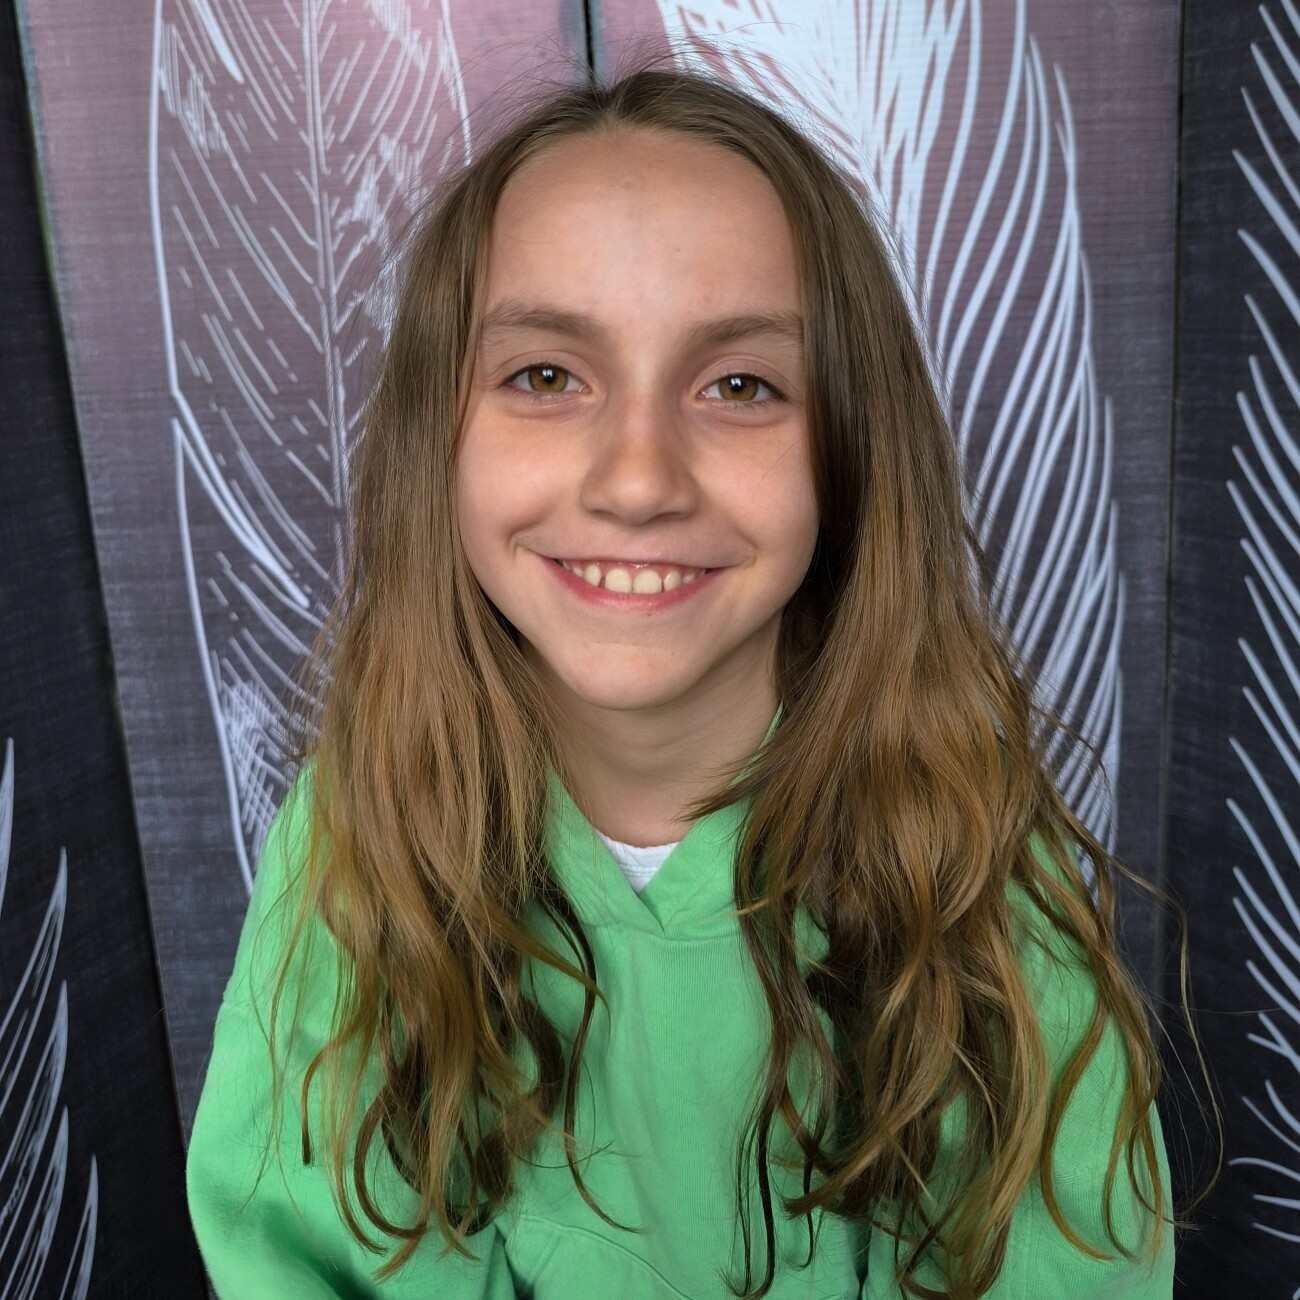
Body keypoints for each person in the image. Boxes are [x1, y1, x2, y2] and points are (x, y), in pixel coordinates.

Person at [185, 64, 1176, 1299]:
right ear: (437, 437)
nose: (639, 479)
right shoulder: (355, 838)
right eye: (546, 376)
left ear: (849, 451)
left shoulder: (964, 859)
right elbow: (305, 1259)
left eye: (738, 385)